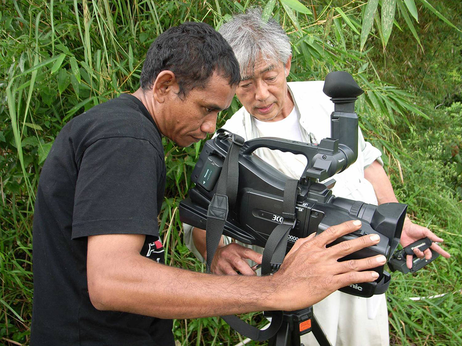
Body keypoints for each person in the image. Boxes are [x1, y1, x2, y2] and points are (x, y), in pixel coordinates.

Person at [29, 21, 387, 346]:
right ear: (165, 85)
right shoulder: (126, 138)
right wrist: (273, 289)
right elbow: (112, 281)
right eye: (206, 108)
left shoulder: (119, 130)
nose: (212, 127)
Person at [183, 9, 451, 346]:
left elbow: (367, 161)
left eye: (269, 76)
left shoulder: (329, 101)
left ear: (287, 65)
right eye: (245, 84)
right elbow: (199, 221)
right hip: (297, 284)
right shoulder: (230, 141)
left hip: (360, 260)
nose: (261, 94)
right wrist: (216, 253)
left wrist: (395, 219)